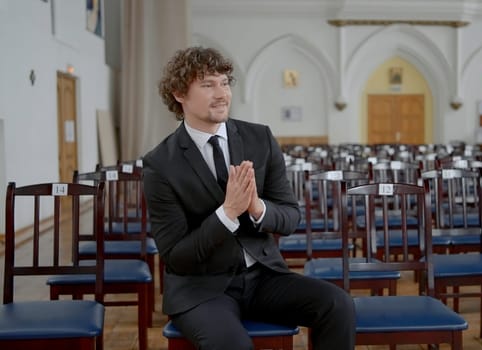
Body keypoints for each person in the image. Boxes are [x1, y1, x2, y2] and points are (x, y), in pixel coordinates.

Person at [142, 46, 356, 350]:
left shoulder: (260, 138)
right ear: (179, 94)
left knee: (338, 305)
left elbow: (290, 218)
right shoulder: (160, 164)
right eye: (207, 85)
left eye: (225, 82)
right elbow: (177, 256)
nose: (221, 93)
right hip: (202, 289)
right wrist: (227, 213)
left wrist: (256, 207)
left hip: (264, 277)